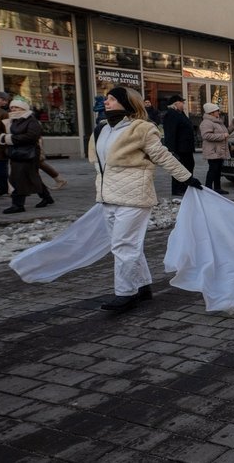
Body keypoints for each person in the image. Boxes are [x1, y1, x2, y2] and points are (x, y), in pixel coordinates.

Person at [88, 86, 202, 312]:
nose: (106, 102)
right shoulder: (101, 130)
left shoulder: (141, 129)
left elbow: (162, 156)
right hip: (107, 196)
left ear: (127, 103)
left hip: (135, 197)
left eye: (112, 99)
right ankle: (142, 287)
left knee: (124, 245)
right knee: (126, 245)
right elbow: (99, 165)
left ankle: (125, 293)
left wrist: (186, 178)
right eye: (106, 98)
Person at [0, 97, 53, 213]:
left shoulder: (31, 120)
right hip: (17, 153)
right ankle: (46, 197)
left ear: (23, 108)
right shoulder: (13, 120)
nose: (13, 109)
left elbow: (32, 136)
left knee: (18, 178)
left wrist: (10, 138)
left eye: (16, 107)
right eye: (12, 107)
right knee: (31, 177)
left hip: (28, 153)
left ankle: (18, 205)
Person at [162, 94, 196, 197]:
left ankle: (185, 187)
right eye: (182, 102)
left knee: (189, 166)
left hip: (186, 148)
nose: (183, 104)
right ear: (176, 103)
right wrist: (172, 150)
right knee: (180, 168)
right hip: (179, 149)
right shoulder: (171, 114)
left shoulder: (180, 113)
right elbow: (170, 133)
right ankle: (178, 189)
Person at [199, 102, 231, 194]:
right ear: (211, 112)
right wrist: (222, 136)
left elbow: (224, 133)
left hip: (219, 150)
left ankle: (217, 188)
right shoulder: (206, 122)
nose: (218, 112)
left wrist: (231, 128)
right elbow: (206, 135)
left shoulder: (218, 121)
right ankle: (208, 189)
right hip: (212, 150)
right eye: (217, 110)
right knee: (213, 170)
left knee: (218, 170)